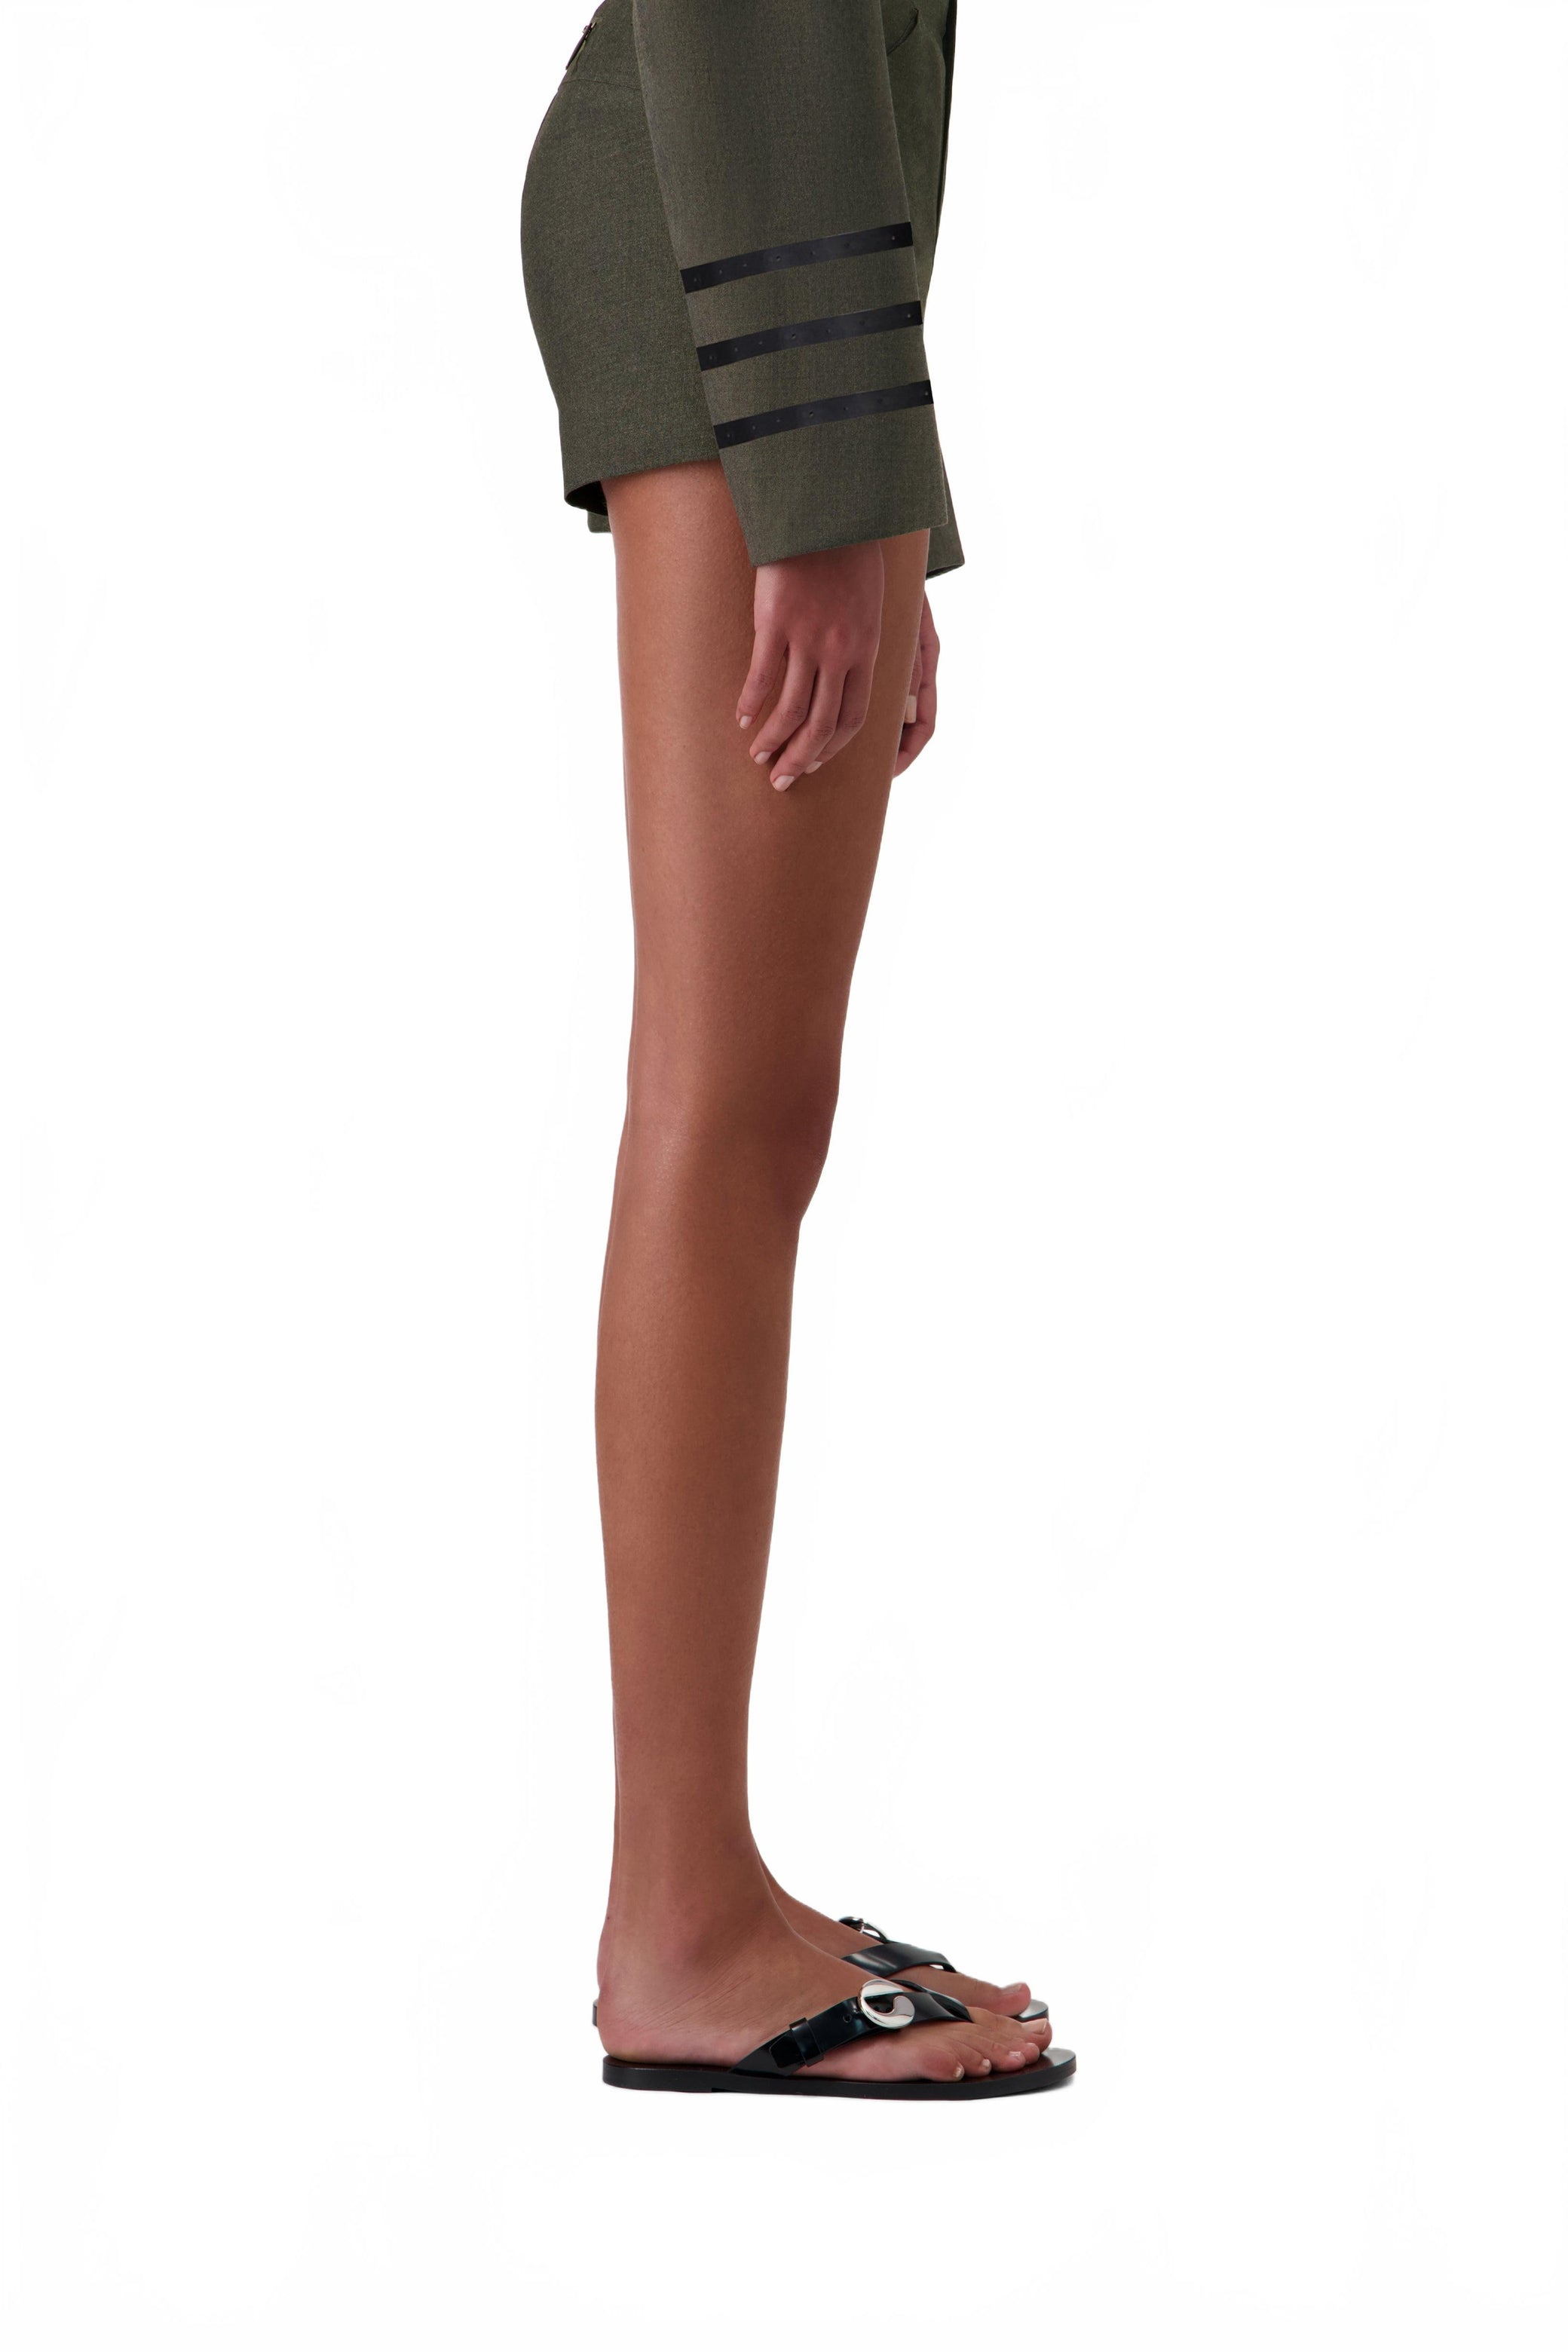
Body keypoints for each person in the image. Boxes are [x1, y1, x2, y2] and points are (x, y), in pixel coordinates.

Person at [521, 0, 1072, 2098]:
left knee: (749, 1104)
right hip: (724, 261)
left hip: (745, 262)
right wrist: (827, 482)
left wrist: (868, 494)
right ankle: (678, 1925)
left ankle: (699, 1891)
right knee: (725, 1105)